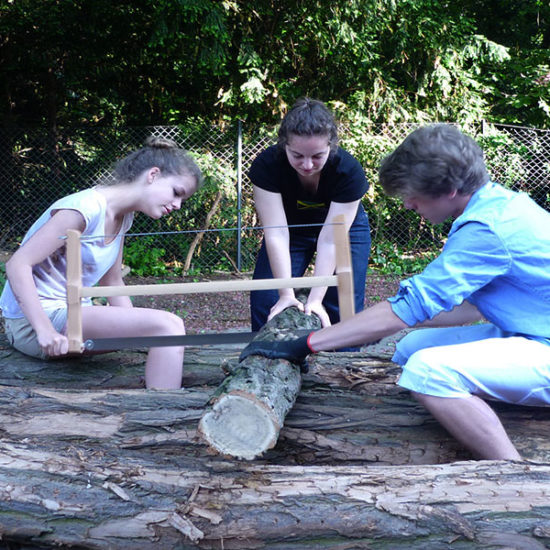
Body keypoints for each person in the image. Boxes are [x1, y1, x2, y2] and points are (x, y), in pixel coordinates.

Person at [240, 123, 550, 460]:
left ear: (449, 189)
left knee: (428, 370)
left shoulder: (487, 229)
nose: (406, 204)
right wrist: (382, 324)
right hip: (532, 334)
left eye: (412, 194)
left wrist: (305, 343)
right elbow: (471, 308)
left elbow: (413, 305)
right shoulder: (498, 205)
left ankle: (514, 472)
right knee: (410, 347)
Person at [0, 136, 202, 390]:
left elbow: (112, 281)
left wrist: (138, 330)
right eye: (177, 193)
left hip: (72, 316)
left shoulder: (123, 217)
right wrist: (45, 332)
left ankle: (159, 397)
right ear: (153, 174)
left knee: (163, 330)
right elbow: (17, 265)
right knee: (168, 325)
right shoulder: (83, 209)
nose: (177, 205)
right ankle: (166, 412)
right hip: (32, 325)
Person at [248, 98, 371, 346]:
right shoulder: (267, 166)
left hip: (343, 233)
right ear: (284, 146)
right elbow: (276, 233)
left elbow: (330, 240)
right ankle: (265, 361)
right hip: (289, 229)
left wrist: (315, 299)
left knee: (343, 303)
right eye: (297, 156)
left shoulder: (349, 172)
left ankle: (342, 369)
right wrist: (286, 294)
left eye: (317, 156)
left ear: (331, 146)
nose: (307, 165)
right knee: (267, 298)